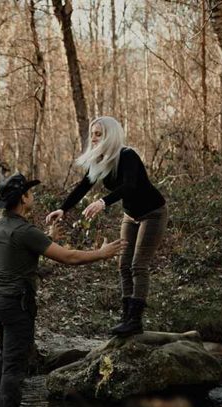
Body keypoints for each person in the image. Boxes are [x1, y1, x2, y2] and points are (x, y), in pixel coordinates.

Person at [0, 173, 122, 407]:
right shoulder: (25, 231)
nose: (32, 196)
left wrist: (47, 238)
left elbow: (16, 255)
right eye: (29, 193)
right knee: (15, 366)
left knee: (3, 354)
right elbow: (69, 257)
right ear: (23, 199)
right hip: (16, 304)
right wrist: (102, 254)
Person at [46, 116, 167, 336]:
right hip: (131, 216)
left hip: (153, 214)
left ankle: (134, 321)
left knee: (138, 265)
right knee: (123, 265)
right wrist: (63, 208)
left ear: (110, 135)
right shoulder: (100, 160)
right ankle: (126, 318)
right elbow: (84, 185)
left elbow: (129, 186)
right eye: (92, 134)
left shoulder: (127, 156)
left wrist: (103, 202)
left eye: (99, 134)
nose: (93, 138)